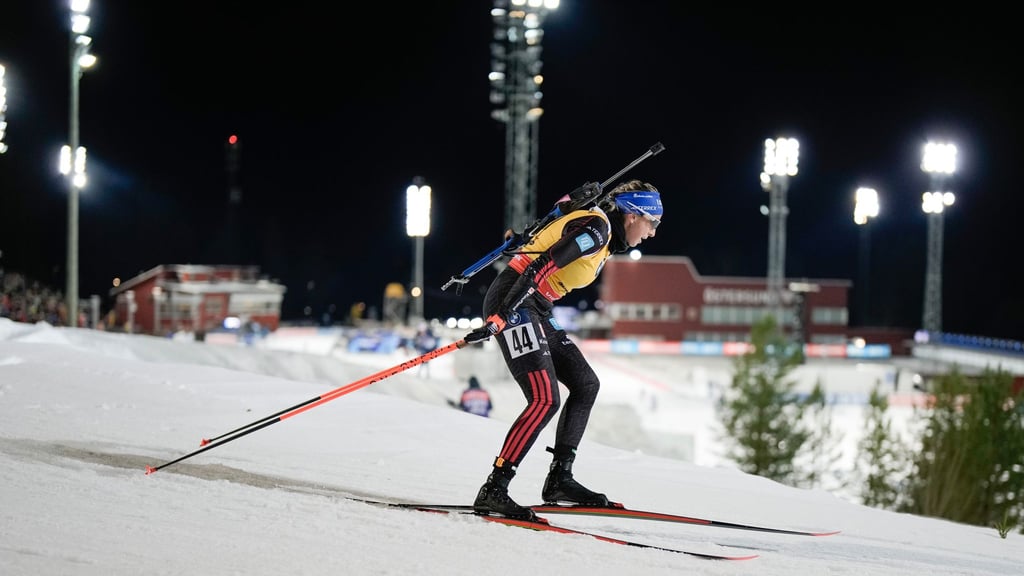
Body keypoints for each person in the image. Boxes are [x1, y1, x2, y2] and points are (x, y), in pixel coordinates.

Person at [463, 179, 663, 520]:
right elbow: (541, 268)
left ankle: (560, 479)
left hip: (535, 305)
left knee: (585, 383)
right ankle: (494, 489)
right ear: (633, 216)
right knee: (544, 398)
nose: (653, 233)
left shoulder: (602, 233)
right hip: (517, 298)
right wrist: (504, 314)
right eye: (652, 223)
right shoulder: (597, 229)